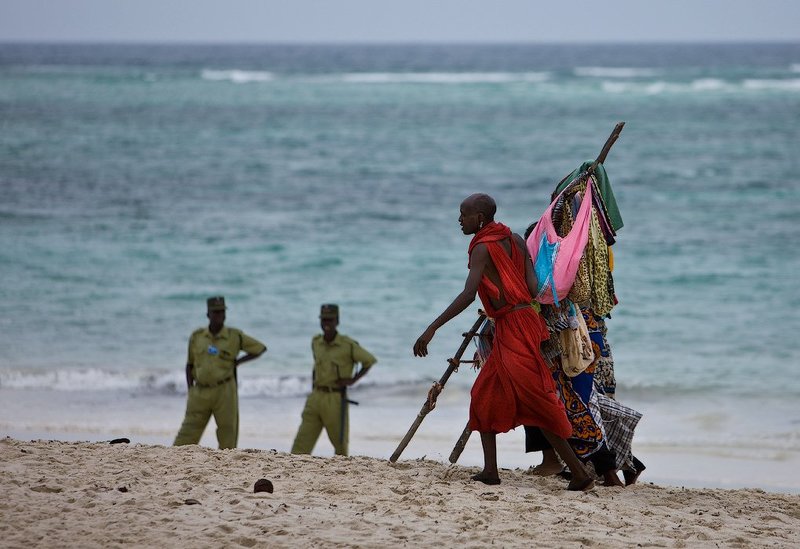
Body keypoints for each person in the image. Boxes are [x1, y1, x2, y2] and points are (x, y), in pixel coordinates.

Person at [413, 193, 594, 491]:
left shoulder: (482, 248)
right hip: (523, 323)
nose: (460, 220)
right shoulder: (515, 239)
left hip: (514, 328)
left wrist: (432, 328)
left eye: (464, 214)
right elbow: (533, 288)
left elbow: (468, 294)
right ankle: (491, 471)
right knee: (484, 394)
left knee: (537, 398)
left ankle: (580, 473)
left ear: (480, 218)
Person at [173, 296, 266, 449]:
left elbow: (260, 348)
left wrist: (238, 362)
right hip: (200, 392)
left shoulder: (234, 336)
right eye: (215, 312)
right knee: (185, 438)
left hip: (225, 391)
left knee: (228, 436)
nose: (219, 315)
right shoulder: (197, 337)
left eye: (222, 312)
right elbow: (189, 365)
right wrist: (191, 390)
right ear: (208, 314)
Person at [291, 304, 377, 457]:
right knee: (300, 445)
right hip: (315, 397)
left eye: (330, 320)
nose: (327, 323)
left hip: (336, 399)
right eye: (324, 319)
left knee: (340, 446)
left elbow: (369, 360)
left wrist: (352, 381)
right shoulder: (316, 342)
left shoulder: (347, 345)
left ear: (337, 321)